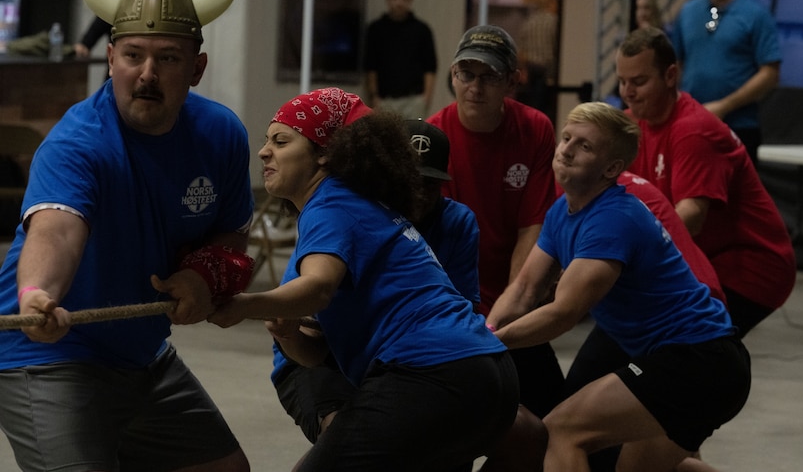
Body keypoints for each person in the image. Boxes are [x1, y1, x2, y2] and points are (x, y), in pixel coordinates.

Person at [0, 0, 251, 472]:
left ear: (198, 68)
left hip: (143, 355)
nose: (147, 74)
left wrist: (205, 274)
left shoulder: (222, 135)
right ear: (110, 58)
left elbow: (233, 234)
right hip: (49, 354)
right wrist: (39, 295)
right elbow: (56, 229)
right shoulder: (78, 142)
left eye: (168, 58)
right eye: (133, 55)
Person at [208, 88, 520, 471]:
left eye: (281, 140)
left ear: (325, 153)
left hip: (434, 373)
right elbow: (320, 354)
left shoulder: (331, 202)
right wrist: (288, 334)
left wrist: (243, 304)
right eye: (267, 141)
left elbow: (318, 289)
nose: (264, 151)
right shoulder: (361, 205)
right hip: (489, 376)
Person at [487, 101, 752, 472]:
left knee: (562, 431)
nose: (566, 149)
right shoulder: (561, 212)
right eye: (566, 138)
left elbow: (564, 313)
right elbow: (525, 290)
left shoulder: (612, 218)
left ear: (612, 168)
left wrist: (489, 346)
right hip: (707, 366)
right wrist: (487, 330)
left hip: (695, 360)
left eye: (585, 146)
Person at [270, 118, 482, 446]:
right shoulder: (348, 213)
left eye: (431, 184)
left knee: (461, 430)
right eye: (413, 181)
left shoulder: (456, 220)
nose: (420, 194)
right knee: (348, 438)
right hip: (320, 354)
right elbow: (308, 327)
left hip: (404, 355)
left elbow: (460, 305)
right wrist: (249, 305)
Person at [617, 26, 796, 337]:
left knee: (670, 341)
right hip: (705, 259)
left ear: (670, 76)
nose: (628, 93)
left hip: (749, 268)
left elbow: (690, 219)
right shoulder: (633, 123)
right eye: (622, 82)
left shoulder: (693, 131)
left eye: (639, 82)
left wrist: (622, 252)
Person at [427, 24, 563, 421]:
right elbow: (435, 245)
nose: (475, 87)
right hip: (455, 302)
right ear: (453, 76)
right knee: (456, 426)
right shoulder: (434, 139)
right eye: (465, 75)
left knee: (551, 419)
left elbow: (532, 227)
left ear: (511, 81)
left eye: (488, 77)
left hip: (513, 297)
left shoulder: (535, 129)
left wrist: (512, 305)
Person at [670, 0, 781, 164]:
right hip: (691, 123)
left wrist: (725, 106)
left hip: (739, 126)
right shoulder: (689, 11)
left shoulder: (755, 15)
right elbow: (675, 64)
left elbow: (770, 73)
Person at [364, 0, 437, 118]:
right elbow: (370, 66)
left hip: (414, 99)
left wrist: (426, 97)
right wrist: (373, 96)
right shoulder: (376, 29)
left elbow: (430, 67)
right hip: (385, 99)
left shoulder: (422, 30)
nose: (399, 3)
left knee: (414, 137)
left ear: (410, 0)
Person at [517, 0, 559, 122]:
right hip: (547, 68)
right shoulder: (554, 21)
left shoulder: (529, 22)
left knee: (531, 104)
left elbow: (521, 50)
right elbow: (556, 46)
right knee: (544, 106)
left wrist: (523, 69)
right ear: (549, 4)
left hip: (530, 68)